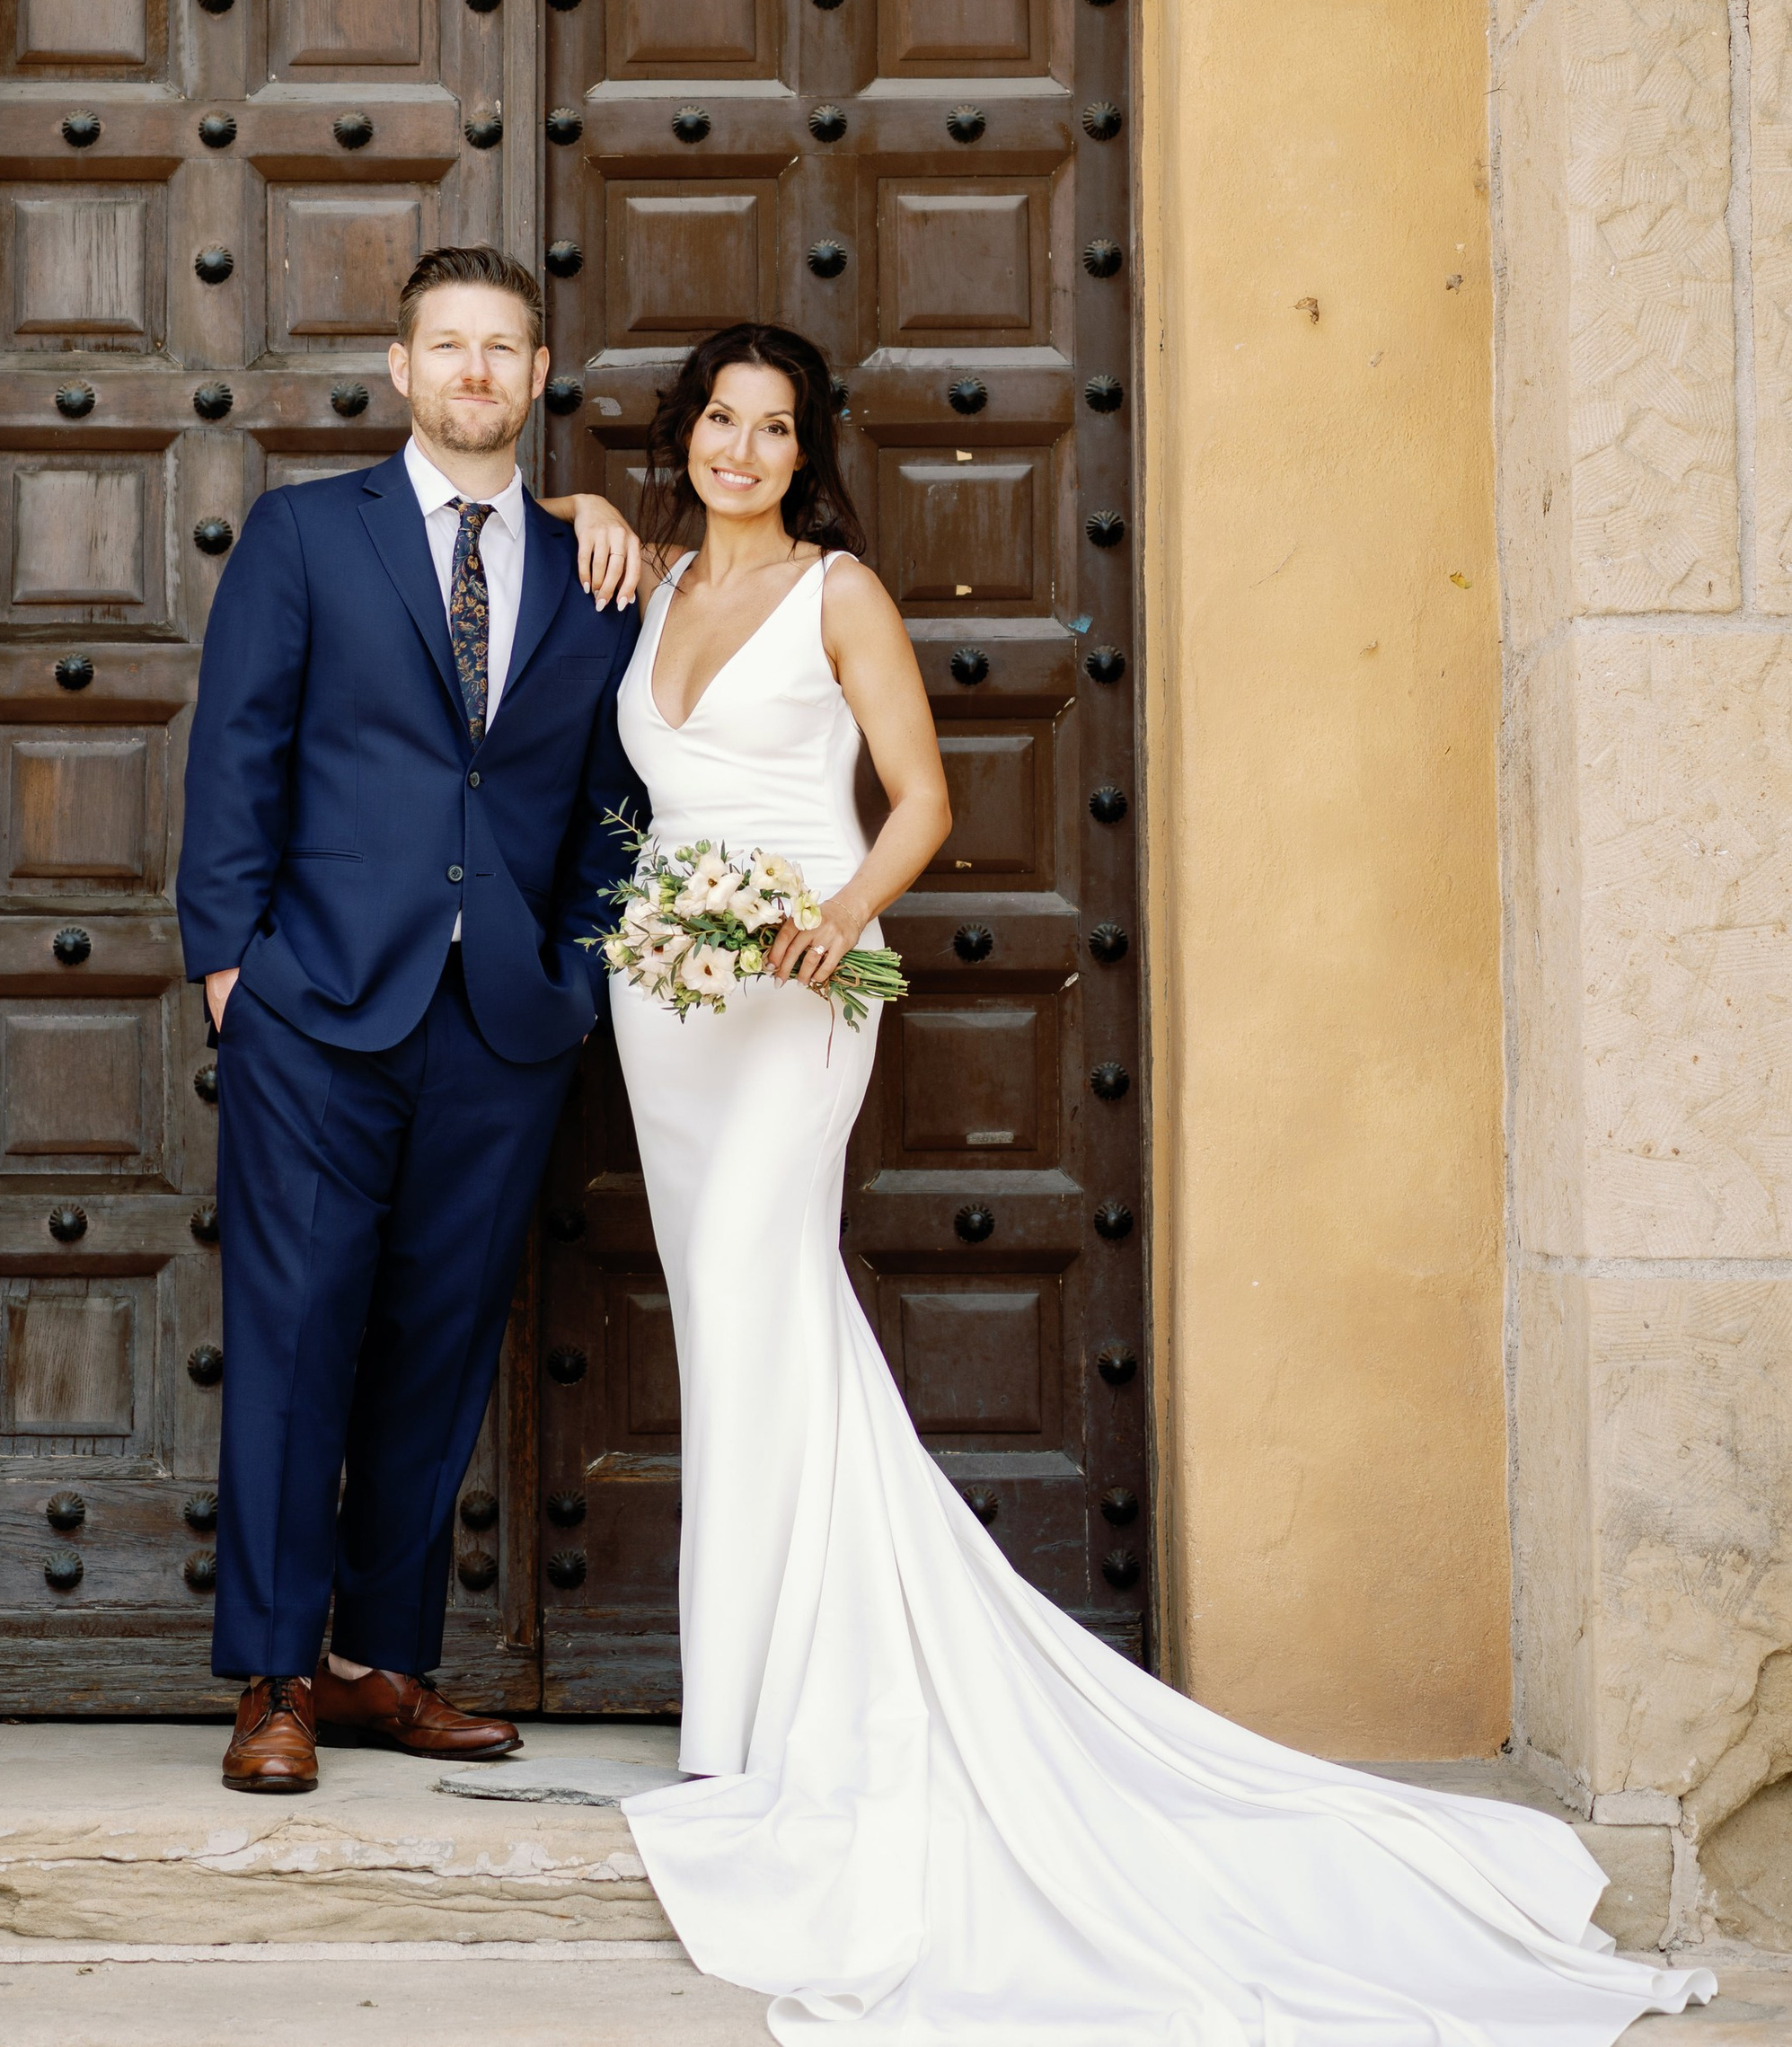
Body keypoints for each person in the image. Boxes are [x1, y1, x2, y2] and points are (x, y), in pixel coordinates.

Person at [606, 321, 1715, 2046]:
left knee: (758, 1302)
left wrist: (837, 920)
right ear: (681, 438)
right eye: (717, 423)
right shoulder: (655, 582)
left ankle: (756, 1731)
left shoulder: (839, 595)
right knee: (741, 1325)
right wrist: (597, 533)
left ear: (804, 449)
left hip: (803, 993)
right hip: (667, 1004)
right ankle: (753, 1698)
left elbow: (920, 800)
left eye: (772, 427)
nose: (741, 449)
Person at [175, 245, 646, 1796]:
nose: (474, 374)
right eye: (448, 346)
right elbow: (239, 748)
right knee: (298, 1340)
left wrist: (573, 972)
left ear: (537, 373)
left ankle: (383, 1668)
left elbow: (605, 807)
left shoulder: (595, 575)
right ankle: (272, 1681)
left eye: (502, 349)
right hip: (313, 1005)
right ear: (401, 367)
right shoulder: (311, 536)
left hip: (501, 1024)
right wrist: (229, 965)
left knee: (436, 1353)